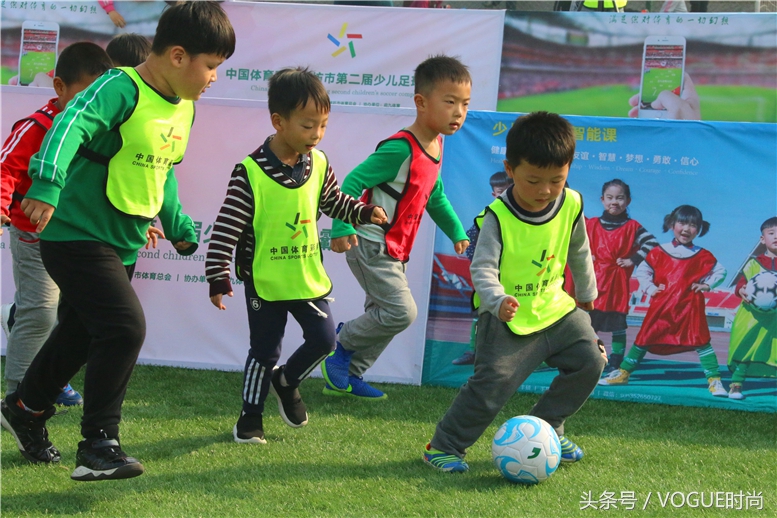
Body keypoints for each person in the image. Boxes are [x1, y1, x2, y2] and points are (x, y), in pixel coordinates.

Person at [0, 1, 235, 481]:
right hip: (74, 234)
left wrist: (177, 224)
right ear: (177, 56)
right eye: (211, 66)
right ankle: (98, 444)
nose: (214, 77)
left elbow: (163, 171)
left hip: (122, 242)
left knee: (80, 334)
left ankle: (24, 407)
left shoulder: (184, 108)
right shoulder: (118, 86)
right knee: (125, 328)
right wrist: (46, 183)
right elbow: (68, 125)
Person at [205, 67, 387, 445]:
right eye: (308, 126)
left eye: (323, 125)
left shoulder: (318, 163)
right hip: (265, 281)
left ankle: (286, 382)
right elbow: (225, 229)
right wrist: (218, 275)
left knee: (324, 341)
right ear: (279, 121)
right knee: (264, 351)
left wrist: (364, 212)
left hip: (306, 277)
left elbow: (333, 201)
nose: (316, 134)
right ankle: (249, 419)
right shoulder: (249, 172)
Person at [423, 111, 606, 473]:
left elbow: (579, 248)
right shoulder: (497, 217)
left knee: (591, 360)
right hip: (507, 314)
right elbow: (482, 268)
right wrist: (497, 300)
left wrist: (586, 290)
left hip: (556, 308)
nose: (545, 190)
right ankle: (444, 446)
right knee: (494, 383)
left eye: (556, 180)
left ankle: (548, 426)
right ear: (510, 169)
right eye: (533, 180)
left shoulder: (572, 203)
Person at [322, 55, 471, 400]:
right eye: (450, 102)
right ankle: (341, 343)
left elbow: (435, 195)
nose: (459, 112)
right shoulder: (400, 148)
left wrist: (456, 232)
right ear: (421, 102)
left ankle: (347, 376)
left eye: (465, 104)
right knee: (401, 312)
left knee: (383, 314)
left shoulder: (436, 145)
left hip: (394, 249)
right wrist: (342, 227)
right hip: (369, 242)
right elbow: (353, 181)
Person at [0, 42, 114, 406]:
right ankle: (19, 393)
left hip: (77, 238)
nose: (91, 104)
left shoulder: (99, 128)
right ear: (60, 87)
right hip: (34, 235)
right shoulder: (37, 126)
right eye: (84, 94)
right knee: (42, 313)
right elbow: (5, 168)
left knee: (68, 313)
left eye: (98, 96)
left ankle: (49, 375)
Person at [599, 205, 728, 397]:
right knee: (644, 339)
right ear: (671, 224)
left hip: (690, 308)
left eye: (693, 225)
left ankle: (714, 380)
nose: (686, 229)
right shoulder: (659, 251)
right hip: (661, 306)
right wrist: (651, 289)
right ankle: (623, 373)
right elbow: (643, 271)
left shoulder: (703, 255)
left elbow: (721, 271)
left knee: (701, 341)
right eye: (682, 223)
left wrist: (707, 285)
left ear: (700, 229)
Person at [587, 179, 658, 373]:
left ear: (628, 201)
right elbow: (576, 242)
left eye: (619, 198)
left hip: (616, 283)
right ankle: (596, 357)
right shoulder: (591, 224)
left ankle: (615, 360)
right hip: (593, 283)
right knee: (589, 326)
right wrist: (587, 254)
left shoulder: (633, 226)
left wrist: (633, 259)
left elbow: (652, 243)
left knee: (617, 325)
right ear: (602, 200)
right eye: (609, 197)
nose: (614, 202)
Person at [451, 171, 510, 366]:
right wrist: (482, 264)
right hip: (490, 277)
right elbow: (470, 241)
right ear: (494, 194)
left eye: (509, 190)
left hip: (516, 278)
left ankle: (512, 356)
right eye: (501, 192)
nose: (505, 195)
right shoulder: (489, 214)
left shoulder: (524, 215)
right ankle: (474, 351)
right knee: (481, 312)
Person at [726, 217, 777, 399]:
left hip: (775, 319)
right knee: (746, 347)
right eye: (771, 233)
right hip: (752, 317)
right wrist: (741, 290)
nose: (776, 237)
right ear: (763, 239)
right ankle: (736, 384)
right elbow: (740, 285)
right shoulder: (753, 263)